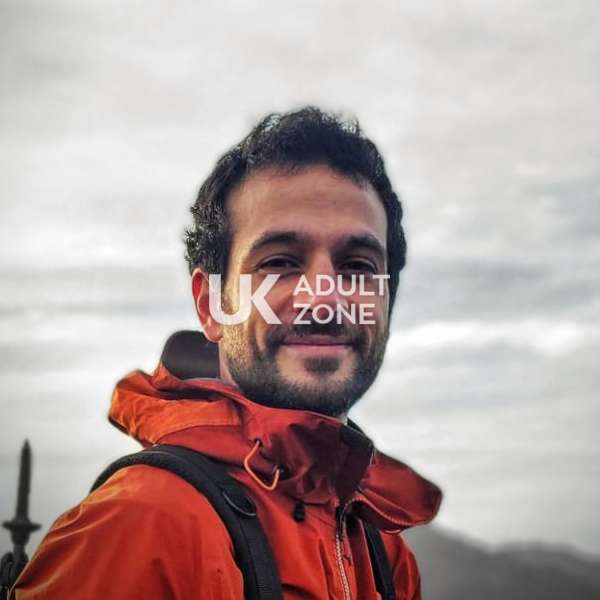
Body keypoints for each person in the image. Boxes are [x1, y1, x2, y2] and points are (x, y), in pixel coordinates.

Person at [12, 107, 442, 599]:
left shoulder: (382, 550)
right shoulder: (138, 528)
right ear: (211, 305)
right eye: (280, 262)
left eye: (358, 267)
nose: (324, 298)